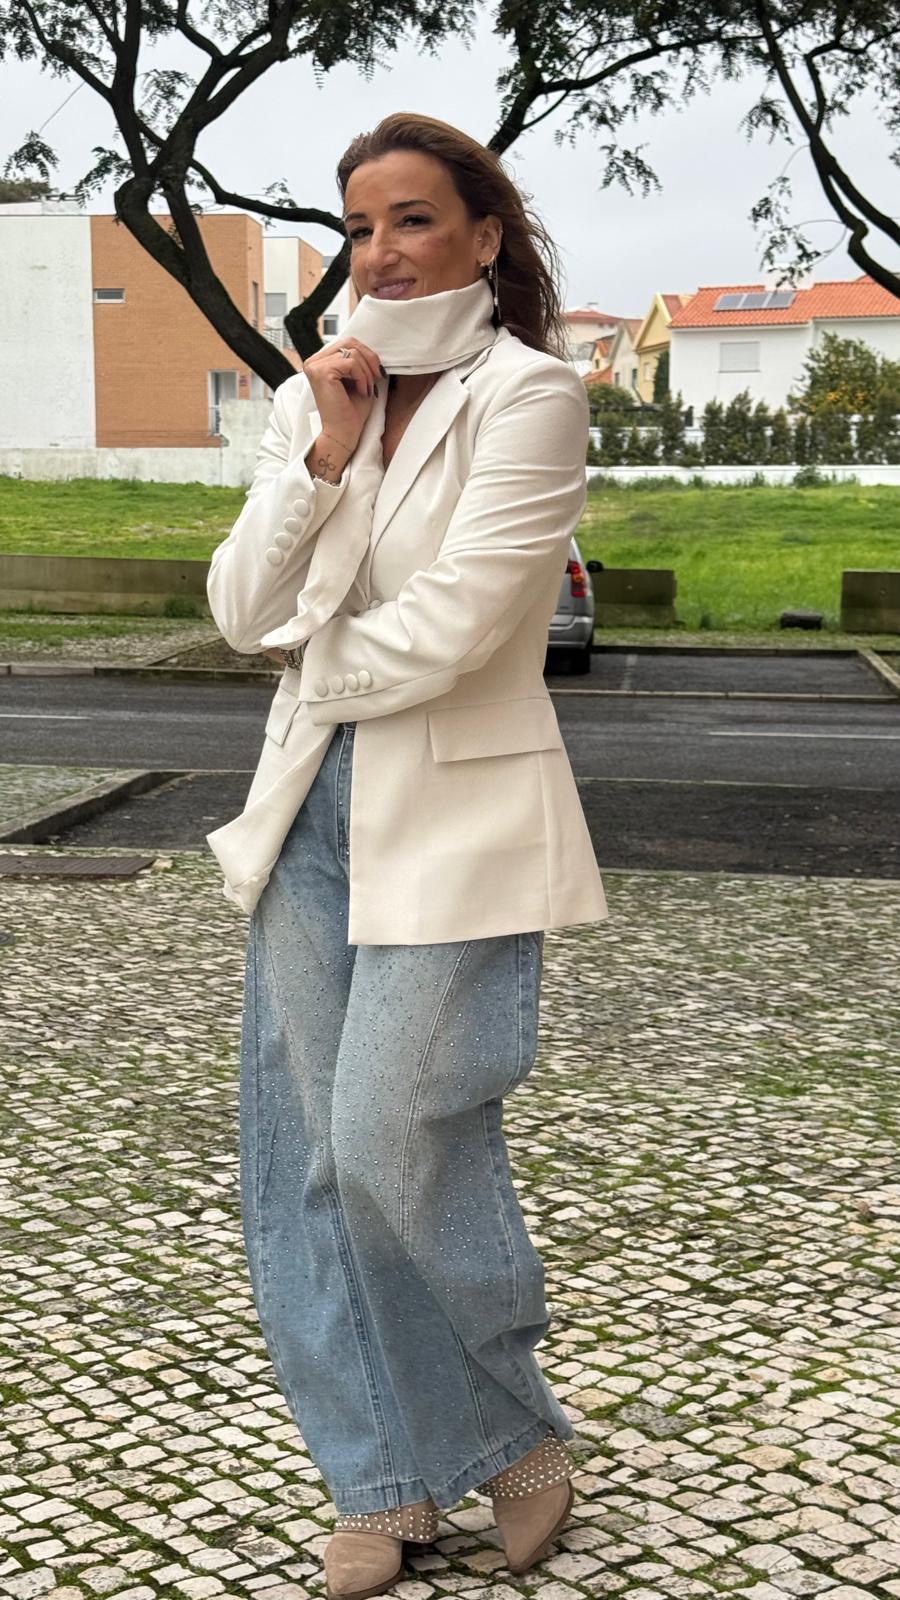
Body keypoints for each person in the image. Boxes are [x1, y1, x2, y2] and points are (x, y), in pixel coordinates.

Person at [205, 111, 609, 1600]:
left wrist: (309, 656)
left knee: (394, 1135)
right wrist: (322, 454)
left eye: (414, 220)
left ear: (484, 237)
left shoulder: (531, 395)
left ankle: (512, 1428)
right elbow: (239, 607)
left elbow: (465, 622)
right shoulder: (316, 395)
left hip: (460, 813)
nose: (380, 253)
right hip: (305, 806)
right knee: (308, 1166)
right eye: (359, 227)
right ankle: (376, 1480)